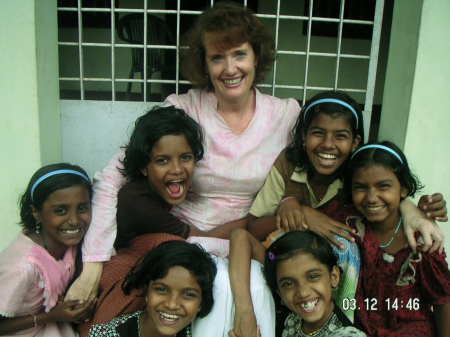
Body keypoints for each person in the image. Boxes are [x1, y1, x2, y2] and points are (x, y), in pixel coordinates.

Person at [67, 1, 300, 303]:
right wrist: (93, 264)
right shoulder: (184, 108)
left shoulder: (286, 116)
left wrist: (294, 201)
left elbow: (316, 164)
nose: (230, 69)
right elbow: (114, 175)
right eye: (217, 58)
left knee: (249, 296)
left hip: (247, 240)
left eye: (240, 54)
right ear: (204, 64)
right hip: (179, 241)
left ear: (257, 56)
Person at [246, 90, 446, 321]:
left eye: (340, 136)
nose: (328, 145)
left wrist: (409, 207)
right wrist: (299, 212)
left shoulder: (356, 175)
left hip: (332, 272)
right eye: (318, 133)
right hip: (288, 261)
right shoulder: (288, 165)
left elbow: (384, 191)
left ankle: (340, 324)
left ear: (355, 142)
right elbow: (253, 226)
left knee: (344, 244)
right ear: (303, 135)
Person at [77, 105, 250, 336]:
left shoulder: (147, 192)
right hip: (118, 273)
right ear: (143, 167)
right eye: (162, 161)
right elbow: (202, 237)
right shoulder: (141, 206)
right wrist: (254, 224)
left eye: (185, 157)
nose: (177, 169)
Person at [334, 141, 449, 336]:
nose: (371, 197)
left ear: (403, 189)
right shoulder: (347, 223)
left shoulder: (423, 240)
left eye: (383, 186)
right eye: (361, 187)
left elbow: (442, 298)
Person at [0, 164, 96, 336]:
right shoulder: (22, 268)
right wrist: (51, 316)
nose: (74, 221)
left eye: (82, 208)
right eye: (60, 211)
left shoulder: (69, 241)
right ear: (36, 213)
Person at [87, 240, 217, 337]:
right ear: (146, 290)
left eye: (188, 294)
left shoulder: (205, 331)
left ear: (201, 302)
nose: (172, 304)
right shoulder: (109, 334)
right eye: (161, 290)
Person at [263, 230, 366, 337]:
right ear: (280, 293)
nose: (303, 293)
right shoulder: (289, 319)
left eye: (312, 277)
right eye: (288, 284)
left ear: (333, 277)